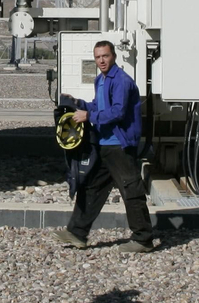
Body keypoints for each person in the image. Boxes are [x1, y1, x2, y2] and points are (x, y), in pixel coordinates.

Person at [53, 40, 157, 252]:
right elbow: (100, 106)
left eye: (105, 56)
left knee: (131, 189)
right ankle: (77, 233)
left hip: (119, 145)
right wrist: (79, 104)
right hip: (104, 145)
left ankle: (143, 239)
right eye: (98, 57)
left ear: (114, 56)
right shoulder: (100, 80)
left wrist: (89, 115)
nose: (101, 60)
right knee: (90, 188)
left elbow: (117, 112)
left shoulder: (121, 81)